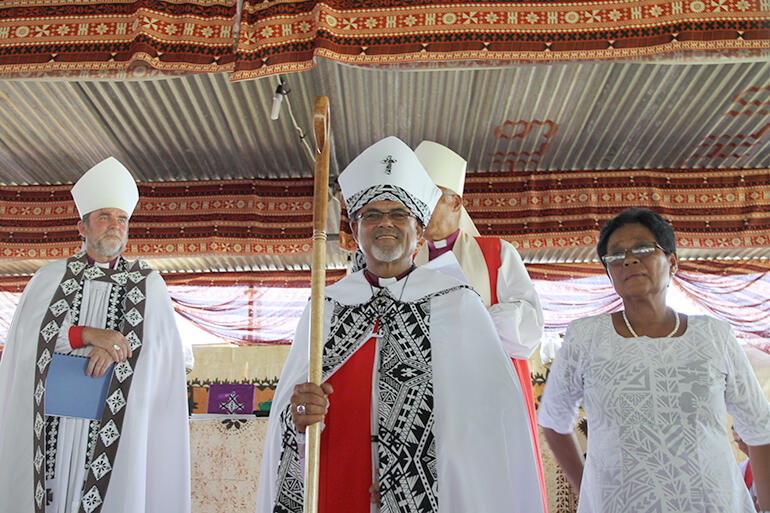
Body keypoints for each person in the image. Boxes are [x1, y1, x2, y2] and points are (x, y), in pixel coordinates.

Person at [256, 136, 544, 513]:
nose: (385, 223)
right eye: (371, 214)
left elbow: (491, 417)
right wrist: (297, 415)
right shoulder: (325, 306)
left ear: (419, 230)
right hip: (339, 483)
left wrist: (407, 470)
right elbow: (289, 413)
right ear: (355, 230)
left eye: (399, 214)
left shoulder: (456, 303)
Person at [538, 207, 770, 513]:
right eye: (615, 255)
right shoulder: (586, 337)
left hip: (713, 502)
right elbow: (553, 421)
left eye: (643, 248)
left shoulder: (714, 335)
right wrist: (590, 491)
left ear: (672, 261)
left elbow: (759, 427)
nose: (629, 259)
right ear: (609, 273)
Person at [0, 157, 191, 513]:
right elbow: (29, 337)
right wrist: (90, 335)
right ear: (82, 227)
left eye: (121, 219)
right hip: (54, 420)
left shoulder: (149, 284)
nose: (114, 227)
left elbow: (165, 352)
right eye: (104, 217)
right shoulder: (51, 276)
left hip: (116, 421)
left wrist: (118, 347)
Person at [412, 140, 547, 511]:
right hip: (430, 401)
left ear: (455, 202)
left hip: (487, 401)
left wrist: (473, 316)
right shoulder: (404, 264)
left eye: (430, 196)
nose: (419, 208)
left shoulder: (497, 253)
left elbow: (529, 326)